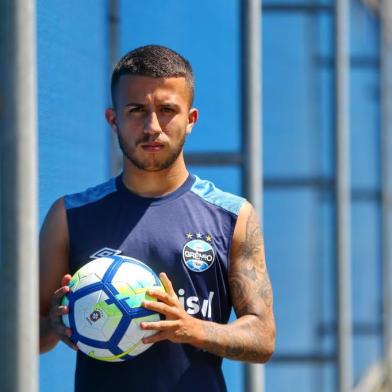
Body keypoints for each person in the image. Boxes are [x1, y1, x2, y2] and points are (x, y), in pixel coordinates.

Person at [39, 44, 275, 392]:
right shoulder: (69, 216)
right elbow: (30, 334)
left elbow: (263, 337)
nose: (152, 126)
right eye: (136, 110)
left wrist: (191, 328)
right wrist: (54, 326)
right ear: (113, 118)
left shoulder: (233, 216)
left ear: (191, 120)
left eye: (167, 110)